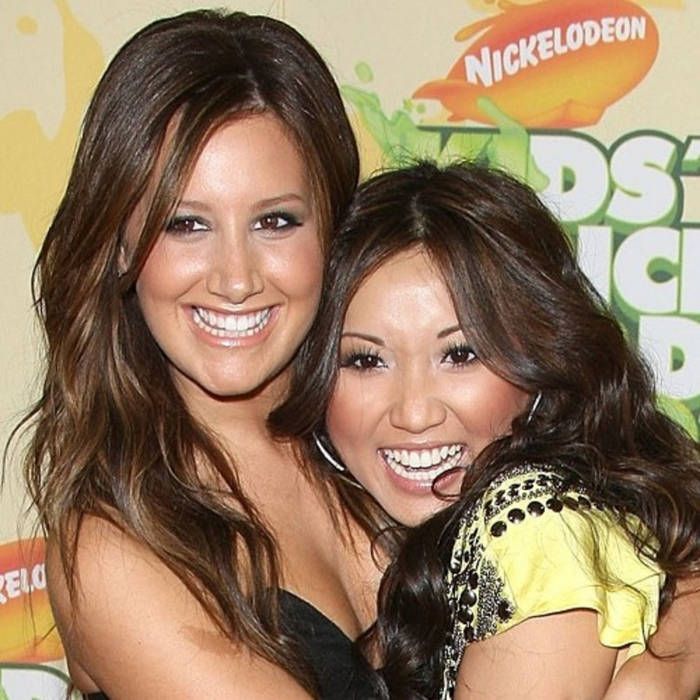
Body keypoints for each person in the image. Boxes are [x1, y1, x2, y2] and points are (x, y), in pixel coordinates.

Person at [16, 9, 390, 698]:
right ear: (120, 246)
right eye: (186, 225)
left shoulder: (393, 446)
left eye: (275, 221)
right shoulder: (113, 548)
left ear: (333, 231)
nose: (236, 278)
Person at [271, 160, 700, 698]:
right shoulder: (431, 540)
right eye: (365, 360)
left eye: (460, 354)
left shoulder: (534, 531)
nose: (413, 413)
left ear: (538, 362)